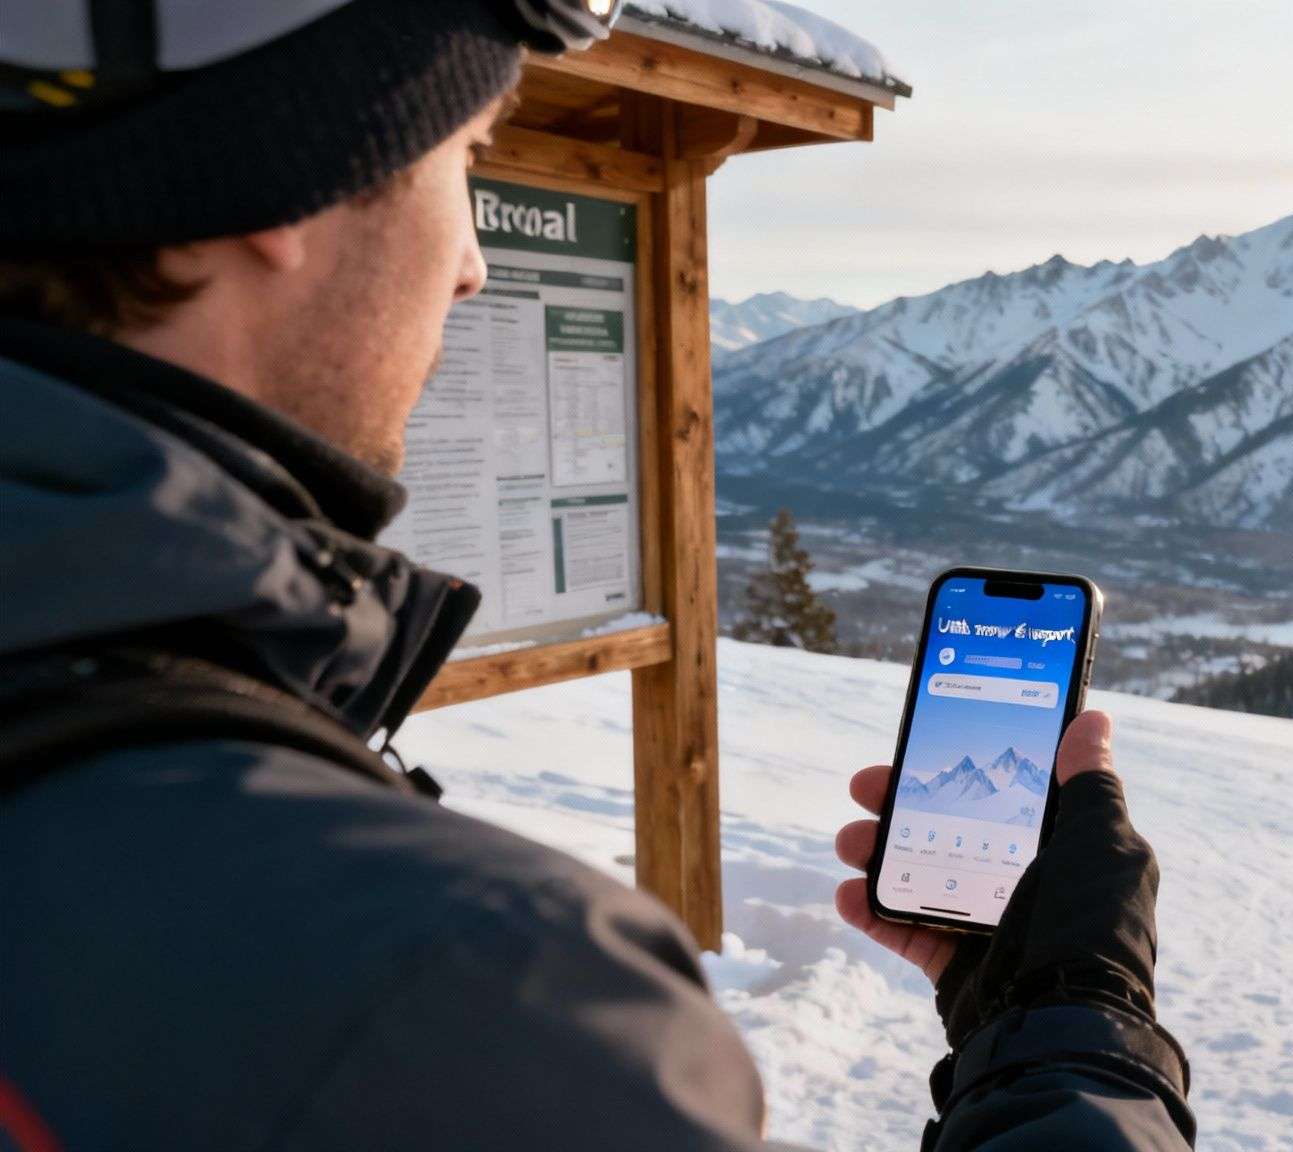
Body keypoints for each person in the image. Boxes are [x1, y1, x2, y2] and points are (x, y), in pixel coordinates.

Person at [0, 2, 1196, 1148]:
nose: (469, 264)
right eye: (465, 155)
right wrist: (1070, 1015)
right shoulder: (447, 994)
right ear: (283, 168)